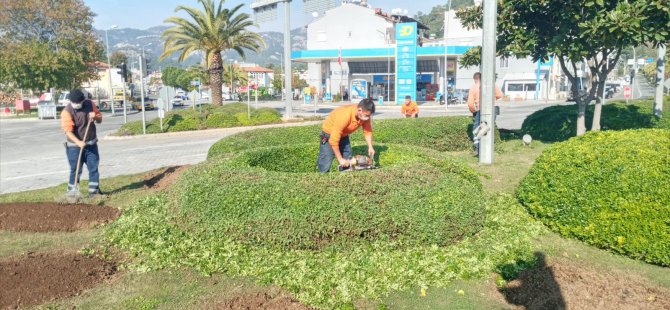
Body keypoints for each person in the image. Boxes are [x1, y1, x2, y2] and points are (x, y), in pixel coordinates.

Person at [61, 89, 104, 197]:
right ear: (70, 101)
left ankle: (94, 192)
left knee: (93, 168)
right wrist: (78, 142)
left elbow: (100, 119)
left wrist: (95, 116)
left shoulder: (90, 104)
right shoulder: (67, 112)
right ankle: (72, 194)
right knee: (75, 170)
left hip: (91, 145)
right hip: (74, 147)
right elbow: (68, 132)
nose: (76, 104)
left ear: (83, 100)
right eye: (74, 103)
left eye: (78, 103)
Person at [318, 98, 375, 172]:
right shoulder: (344, 115)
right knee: (325, 160)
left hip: (343, 135)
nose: (367, 118)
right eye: (366, 115)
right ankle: (323, 178)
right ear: (359, 110)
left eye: (369, 116)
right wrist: (340, 159)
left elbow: (367, 131)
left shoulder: (365, 116)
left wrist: (370, 147)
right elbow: (333, 140)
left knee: (348, 160)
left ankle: (344, 178)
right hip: (328, 135)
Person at [467, 72, 503, 155]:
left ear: (475, 79)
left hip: (480, 110)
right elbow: (499, 95)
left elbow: (470, 104)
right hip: (492, 109)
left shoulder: (473, 87)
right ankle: (488, 148)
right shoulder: (492, 84)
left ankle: (477, 148)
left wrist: (473, 111)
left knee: (477, 130)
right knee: (488, 128)